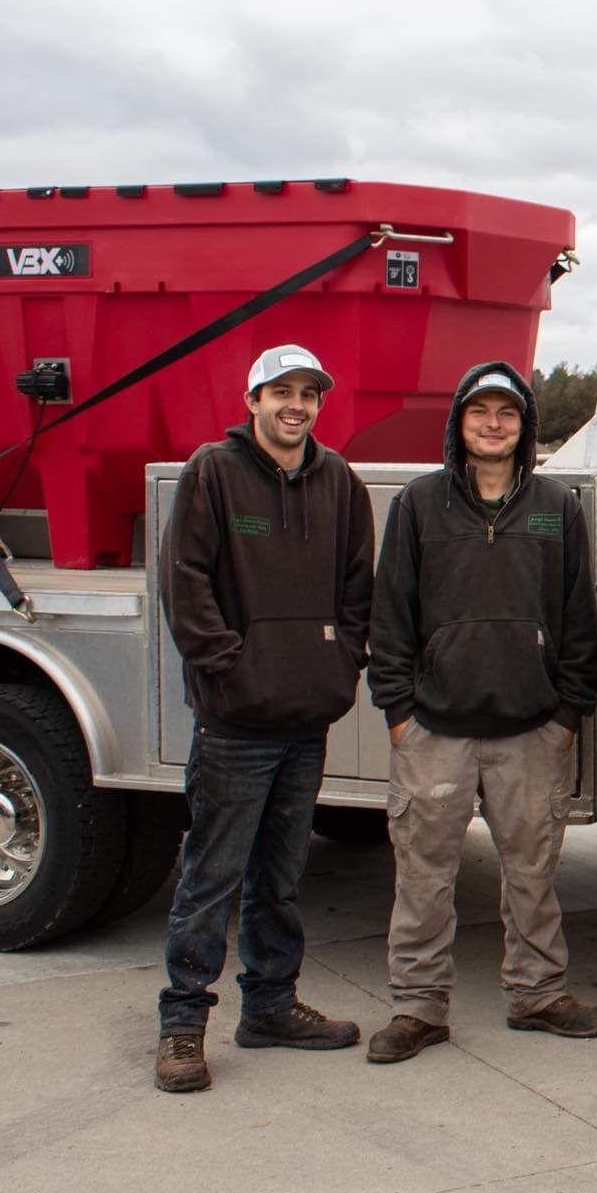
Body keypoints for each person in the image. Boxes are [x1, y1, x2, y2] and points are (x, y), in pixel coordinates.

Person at [364, 361, 597, 1063]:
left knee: (532, 872)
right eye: (480, 412)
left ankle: (537, 994)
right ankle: (418, 1008)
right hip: (434, 728)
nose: (494, 424)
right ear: (460, 424)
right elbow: (391, 616)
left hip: (532, 729)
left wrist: (567, 714)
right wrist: (400, 712)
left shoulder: (555, 507)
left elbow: (576, 619)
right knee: (423, 875)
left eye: (507, 413)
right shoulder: (419, 505)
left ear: (524, 426)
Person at [155, 343, 374, 1092]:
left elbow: (356, 587)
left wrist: (338, 665)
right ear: (252, 400)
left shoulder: (338, 480)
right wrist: (229, 666)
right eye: (281, 391)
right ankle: (184, 1025)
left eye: (309, 393)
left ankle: (270, 1007)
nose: (296, 405)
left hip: (304, 719)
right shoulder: (212, 472)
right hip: (235, 725)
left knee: (278, 879)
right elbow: (185, 581)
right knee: (209, 880)